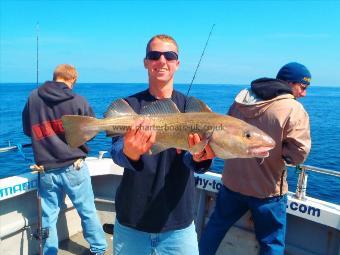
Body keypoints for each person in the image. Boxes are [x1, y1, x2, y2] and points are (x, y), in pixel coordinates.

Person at [110, 34, 215, 255]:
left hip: (178, 223)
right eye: (154, 55)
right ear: (146, 62)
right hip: (132, 222)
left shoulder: (193, 109)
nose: (162, 61)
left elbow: (191, 158)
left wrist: (199, 158)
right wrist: (129, 153)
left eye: (169, 55)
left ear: (177, 63)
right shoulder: (129, 106)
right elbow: (117, 150)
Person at [199, 62, 312, 255]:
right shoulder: (293, 109)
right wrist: (281, 155)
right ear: (287, 83)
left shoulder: (241, 101)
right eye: (302, 87)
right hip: (267, 191)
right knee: (271, 243)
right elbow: (298, 153)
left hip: (232, 184)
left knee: (214, 228)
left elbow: (221, 132)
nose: (304, 93)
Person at [22, 64, 107, 255]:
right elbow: (91, 132)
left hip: (46, 170)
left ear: (54, 77)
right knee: (87, 211)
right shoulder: (78, 100)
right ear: (73, 79)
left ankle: (49, 251)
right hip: (74, 167)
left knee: (48, 217)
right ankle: (99, 249)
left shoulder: (33, 97)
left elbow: (28, 130)